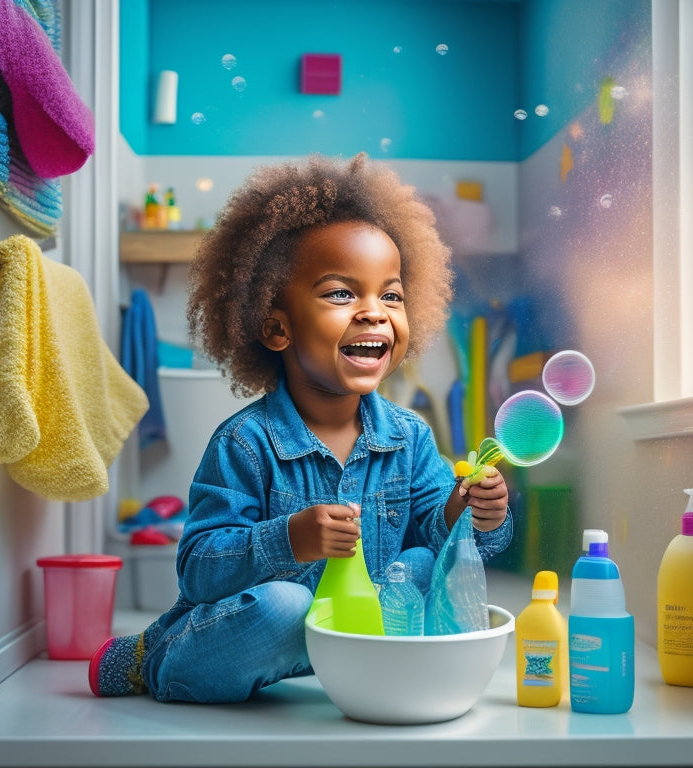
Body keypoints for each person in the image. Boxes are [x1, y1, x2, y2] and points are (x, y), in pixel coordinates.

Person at [89, 152, 512, 703]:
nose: (375, 312)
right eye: (342, 293)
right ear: (276, 327)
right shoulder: (246, 442)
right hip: (267, 629)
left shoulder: (409, 438)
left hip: (350, 641)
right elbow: (197, 570)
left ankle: (331, 660)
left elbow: (441, 537)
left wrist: (470, 513)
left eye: (391, 294)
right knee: (286, 607)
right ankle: (154, 657)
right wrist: (287, 539)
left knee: (423, 565)